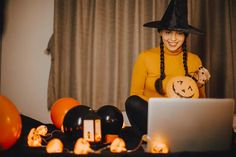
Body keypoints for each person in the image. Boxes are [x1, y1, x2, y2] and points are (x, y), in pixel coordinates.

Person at [125, 0, 210, 136]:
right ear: (160, 33)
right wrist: (165, 106)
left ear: (185, 35)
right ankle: (166, 134)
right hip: (154, 116)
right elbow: (135, 94)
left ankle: (176, 134)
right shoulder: (145, 57)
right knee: (132, 103)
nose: (173, 38)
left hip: (182, 118)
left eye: (179, 33)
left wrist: (199, 85)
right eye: (168, 32)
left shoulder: (195, 60)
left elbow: (201, 104)